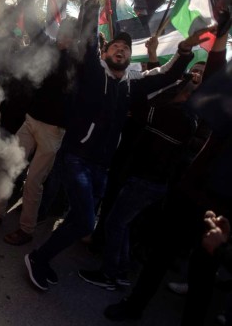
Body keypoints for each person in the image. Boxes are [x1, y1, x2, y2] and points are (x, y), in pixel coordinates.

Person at [23, 0, 210, 292]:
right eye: (115, 47)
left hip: (101, 167)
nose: (121, 50)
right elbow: (86, 38)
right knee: (86, 221)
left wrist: (185, 51)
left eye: (125, 48)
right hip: (77, 158)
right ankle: (39, 258)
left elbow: (165, 77)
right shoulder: (94, 74)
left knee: (78, 218)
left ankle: (46, 252)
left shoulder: (131, 87)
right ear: (105, 52)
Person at [103, 23, 231, 325]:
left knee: (202, 274)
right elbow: (215, 79)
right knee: (161, 254)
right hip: (190, 191)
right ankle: (134, 305)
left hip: (222, 210)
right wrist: (222, 34)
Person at [78, 38, 202, 289]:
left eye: (177, 89)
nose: (172, 91)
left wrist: (129, 96)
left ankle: (109, 273)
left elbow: (150, 96)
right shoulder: (181, 115)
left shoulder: (175, 116)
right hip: (146, 176)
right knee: (121, 222)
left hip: (146, 179)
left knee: (116, 221)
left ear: (184, 94)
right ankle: (120, 270)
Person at [0, 17, 79, 246]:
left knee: (33, 182)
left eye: (71, 33)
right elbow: (37, 31)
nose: (65, 36)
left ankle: (26, 229)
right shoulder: (48, 50)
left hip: (52, 132)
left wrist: (90, 2)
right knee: (9, 168)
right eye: (63, 31)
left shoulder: (76, 62)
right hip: (30, 121)